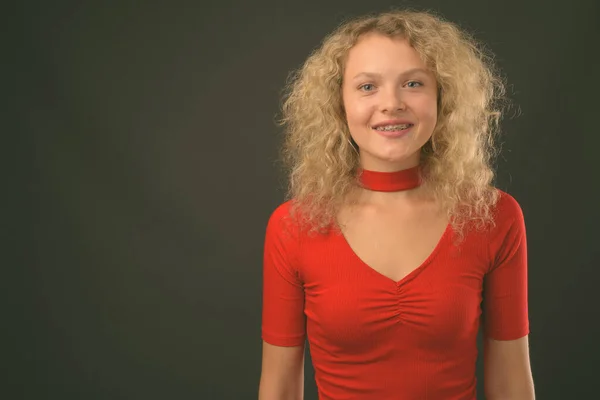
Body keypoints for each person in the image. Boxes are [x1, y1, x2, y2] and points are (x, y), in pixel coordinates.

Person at [258, 9, 535, 400]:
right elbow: (280, 388)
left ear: (444, 97)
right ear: (338, 105)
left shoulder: (493, 216)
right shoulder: (293, 225)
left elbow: (511, 383)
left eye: (413, 83)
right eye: (367, 87)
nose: (391, 103)